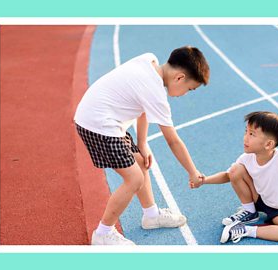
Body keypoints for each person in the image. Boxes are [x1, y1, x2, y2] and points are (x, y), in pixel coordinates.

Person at [74, 46, 209, 245]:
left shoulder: (149, 60)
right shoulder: (155, 91)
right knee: (134, 178)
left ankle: (151, 216)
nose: (186, 94)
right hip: (98, 125)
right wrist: (192, 172)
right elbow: (173, 141)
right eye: (190, 89)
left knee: (141, 161)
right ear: (180, 78)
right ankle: (103, 233)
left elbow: (143, 107)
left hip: (104, 119)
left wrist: (142, 144)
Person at [191, 111, 278, 244]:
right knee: (236, 169)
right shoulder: (246, 158)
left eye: (252, 134)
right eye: (246, 132)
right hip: (258, 198)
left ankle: (246, 230)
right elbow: (228, 175)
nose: (245, 138)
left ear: (268, 144)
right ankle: (250, 212)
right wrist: (204, 180)